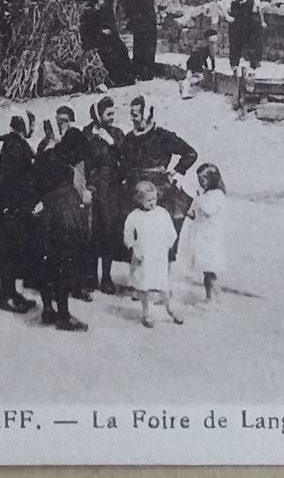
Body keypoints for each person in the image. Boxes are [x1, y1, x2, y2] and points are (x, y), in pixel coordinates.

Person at [31, 115, 91, 332]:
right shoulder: (61, 155)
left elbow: (35, 187)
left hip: (45, 213)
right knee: (64, 262)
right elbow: (84, 153)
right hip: (64, 213)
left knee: (47, 262)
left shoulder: (40, 157)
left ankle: (48, 309)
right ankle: (64, 316)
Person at [0, 110, 38, 314]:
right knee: (8, 251)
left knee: (12, 252)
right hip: (11, 207)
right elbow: (17, 178)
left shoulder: (13, 144)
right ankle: (3, 296)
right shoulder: (16, 147)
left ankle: (11, 292)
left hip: (10, 205)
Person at [124, 96, 198, 234]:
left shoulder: (163, 136)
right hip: (134, 188)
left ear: (147, 115)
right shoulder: (128, 138)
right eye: (131, 115)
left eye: (135, 115)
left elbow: (190, 153)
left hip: (159, 190)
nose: (132, 119)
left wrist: (176, 171)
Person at [82, 96, 128, 295]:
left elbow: (127, 158)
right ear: (97, 115)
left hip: (111, 190)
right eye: (108, 114)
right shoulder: (85, 134)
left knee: (108, 233)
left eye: (113, 113)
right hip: (91, 188)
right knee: (91, 233)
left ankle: (107, 277)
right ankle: (91, 276)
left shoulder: (117, 134)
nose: (112, 117)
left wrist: (112, 144)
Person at [124, 181, 184, 328]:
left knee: (162, 284)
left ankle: (170, 309)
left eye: (154, 199)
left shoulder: (162, 213)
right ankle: (146, 311)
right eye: (148, 200)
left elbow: (171, 233)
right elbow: (128, 235)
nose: (152, 203)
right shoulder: (133, 216)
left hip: (158, 255)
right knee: (142, 283)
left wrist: (166, 246)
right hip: (142, 255)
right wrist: (134, 249)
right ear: (139, 200)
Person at [175, 162, 227, 304]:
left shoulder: (217, 195)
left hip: (210, 238)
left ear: (212, 179)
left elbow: (208, 209)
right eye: (198, 180)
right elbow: (192, 214)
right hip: (201, 237)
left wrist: (196, 196)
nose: (200, 183)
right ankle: (209, 297)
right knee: (205, 269)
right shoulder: (204, 195)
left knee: (211, 270)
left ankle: (220, 299)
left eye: (202, 180)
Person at [220, 0, 264, 74]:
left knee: (253, 42)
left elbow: (259, 6)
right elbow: (221, 4)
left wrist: (262, 21)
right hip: (236, 22)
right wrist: (227, 16)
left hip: (248, 22)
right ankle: (234, 66)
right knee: (235, 44)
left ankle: (253, 66)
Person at [126, 0, 159, 79]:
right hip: (149, 29)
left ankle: (138, 72)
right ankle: (147, 73)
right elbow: (151, 15)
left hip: (139, 29)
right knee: (148, 51)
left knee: (139, 50)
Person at [180, 30, 218, 99]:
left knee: (189, 74)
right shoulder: (210, 44)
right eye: (215, 36)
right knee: (200, 77)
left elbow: (199, 52)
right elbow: (211, 57)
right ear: (210, 37)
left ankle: (184, 90)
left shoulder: (202, 43)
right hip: (197, 60)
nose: (216, 38)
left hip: (191, 58)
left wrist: (205, 64)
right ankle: (184, 84)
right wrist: (212, 67)